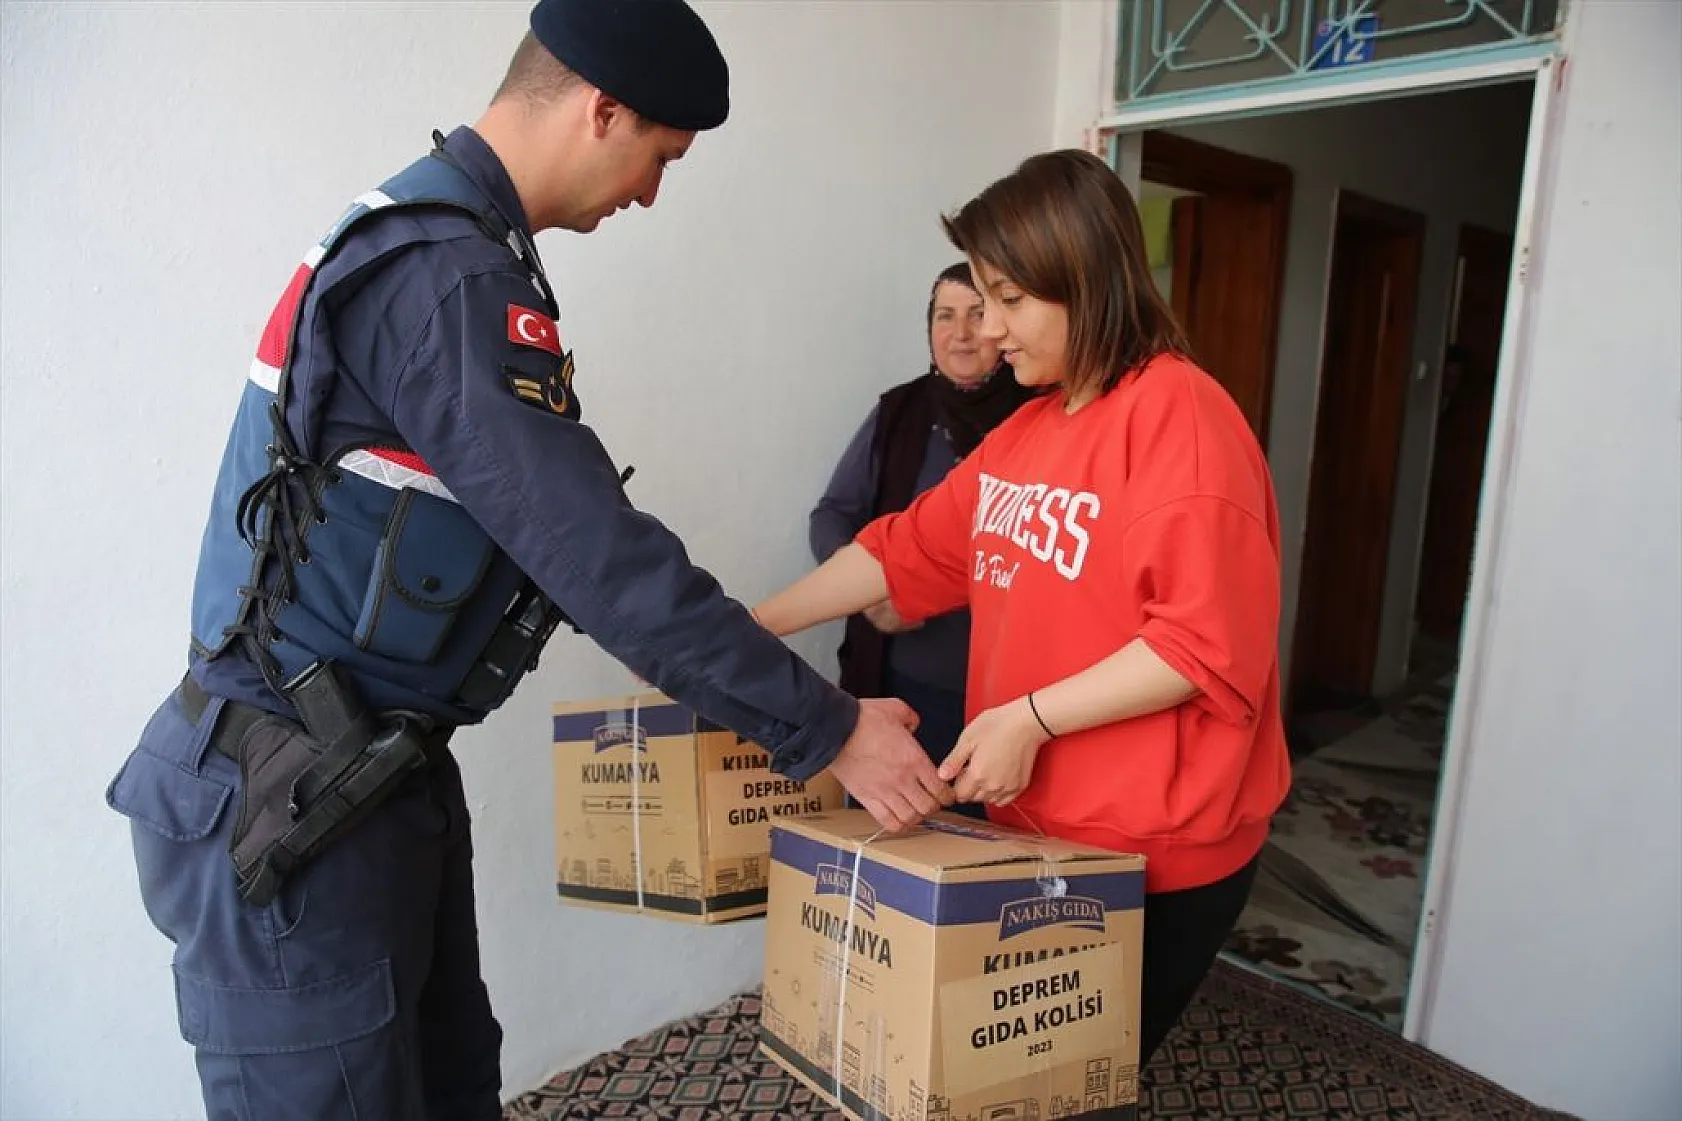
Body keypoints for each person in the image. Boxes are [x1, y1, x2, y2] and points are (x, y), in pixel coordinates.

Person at [102, 2, 952, 1117]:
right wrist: (831, 728)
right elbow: (596, 556)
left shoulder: (444, 241)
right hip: (291, 808)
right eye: (660, 157)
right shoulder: (448, 277)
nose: (650, 193)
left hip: (364, 777)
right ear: (602, 111)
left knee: (448, 1081)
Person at [753, 148, 1292, 1088]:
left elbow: (1201, 643)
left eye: (1007, 298)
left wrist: (1027, 718)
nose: (990, 329)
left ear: (1081, 274)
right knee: (1005, 1083)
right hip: (1033, 827)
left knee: (1067, 1089)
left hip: (1152, 847)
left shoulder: (1181, 417)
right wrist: (743, 630)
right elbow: (899, 549)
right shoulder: (1030, 431)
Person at [809, 262, 1036, 818]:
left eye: (977, 314)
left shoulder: (1039, 415)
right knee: (896, 852)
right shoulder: (899, 413)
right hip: (905, 693)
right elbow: (833, 515)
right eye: (944, 316)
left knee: (998, 868)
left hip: (1013, 702)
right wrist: (873, 593)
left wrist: (920, 587)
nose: (960, 333)